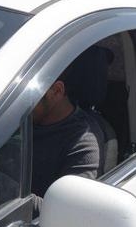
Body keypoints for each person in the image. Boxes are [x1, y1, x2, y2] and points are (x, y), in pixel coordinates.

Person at [31, 66, 103, 196]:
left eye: (26, 95)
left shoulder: (83, 144)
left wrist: (8, 193)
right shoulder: (18, 120)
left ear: (56, 91)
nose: (16, 105)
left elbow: (69, 206)